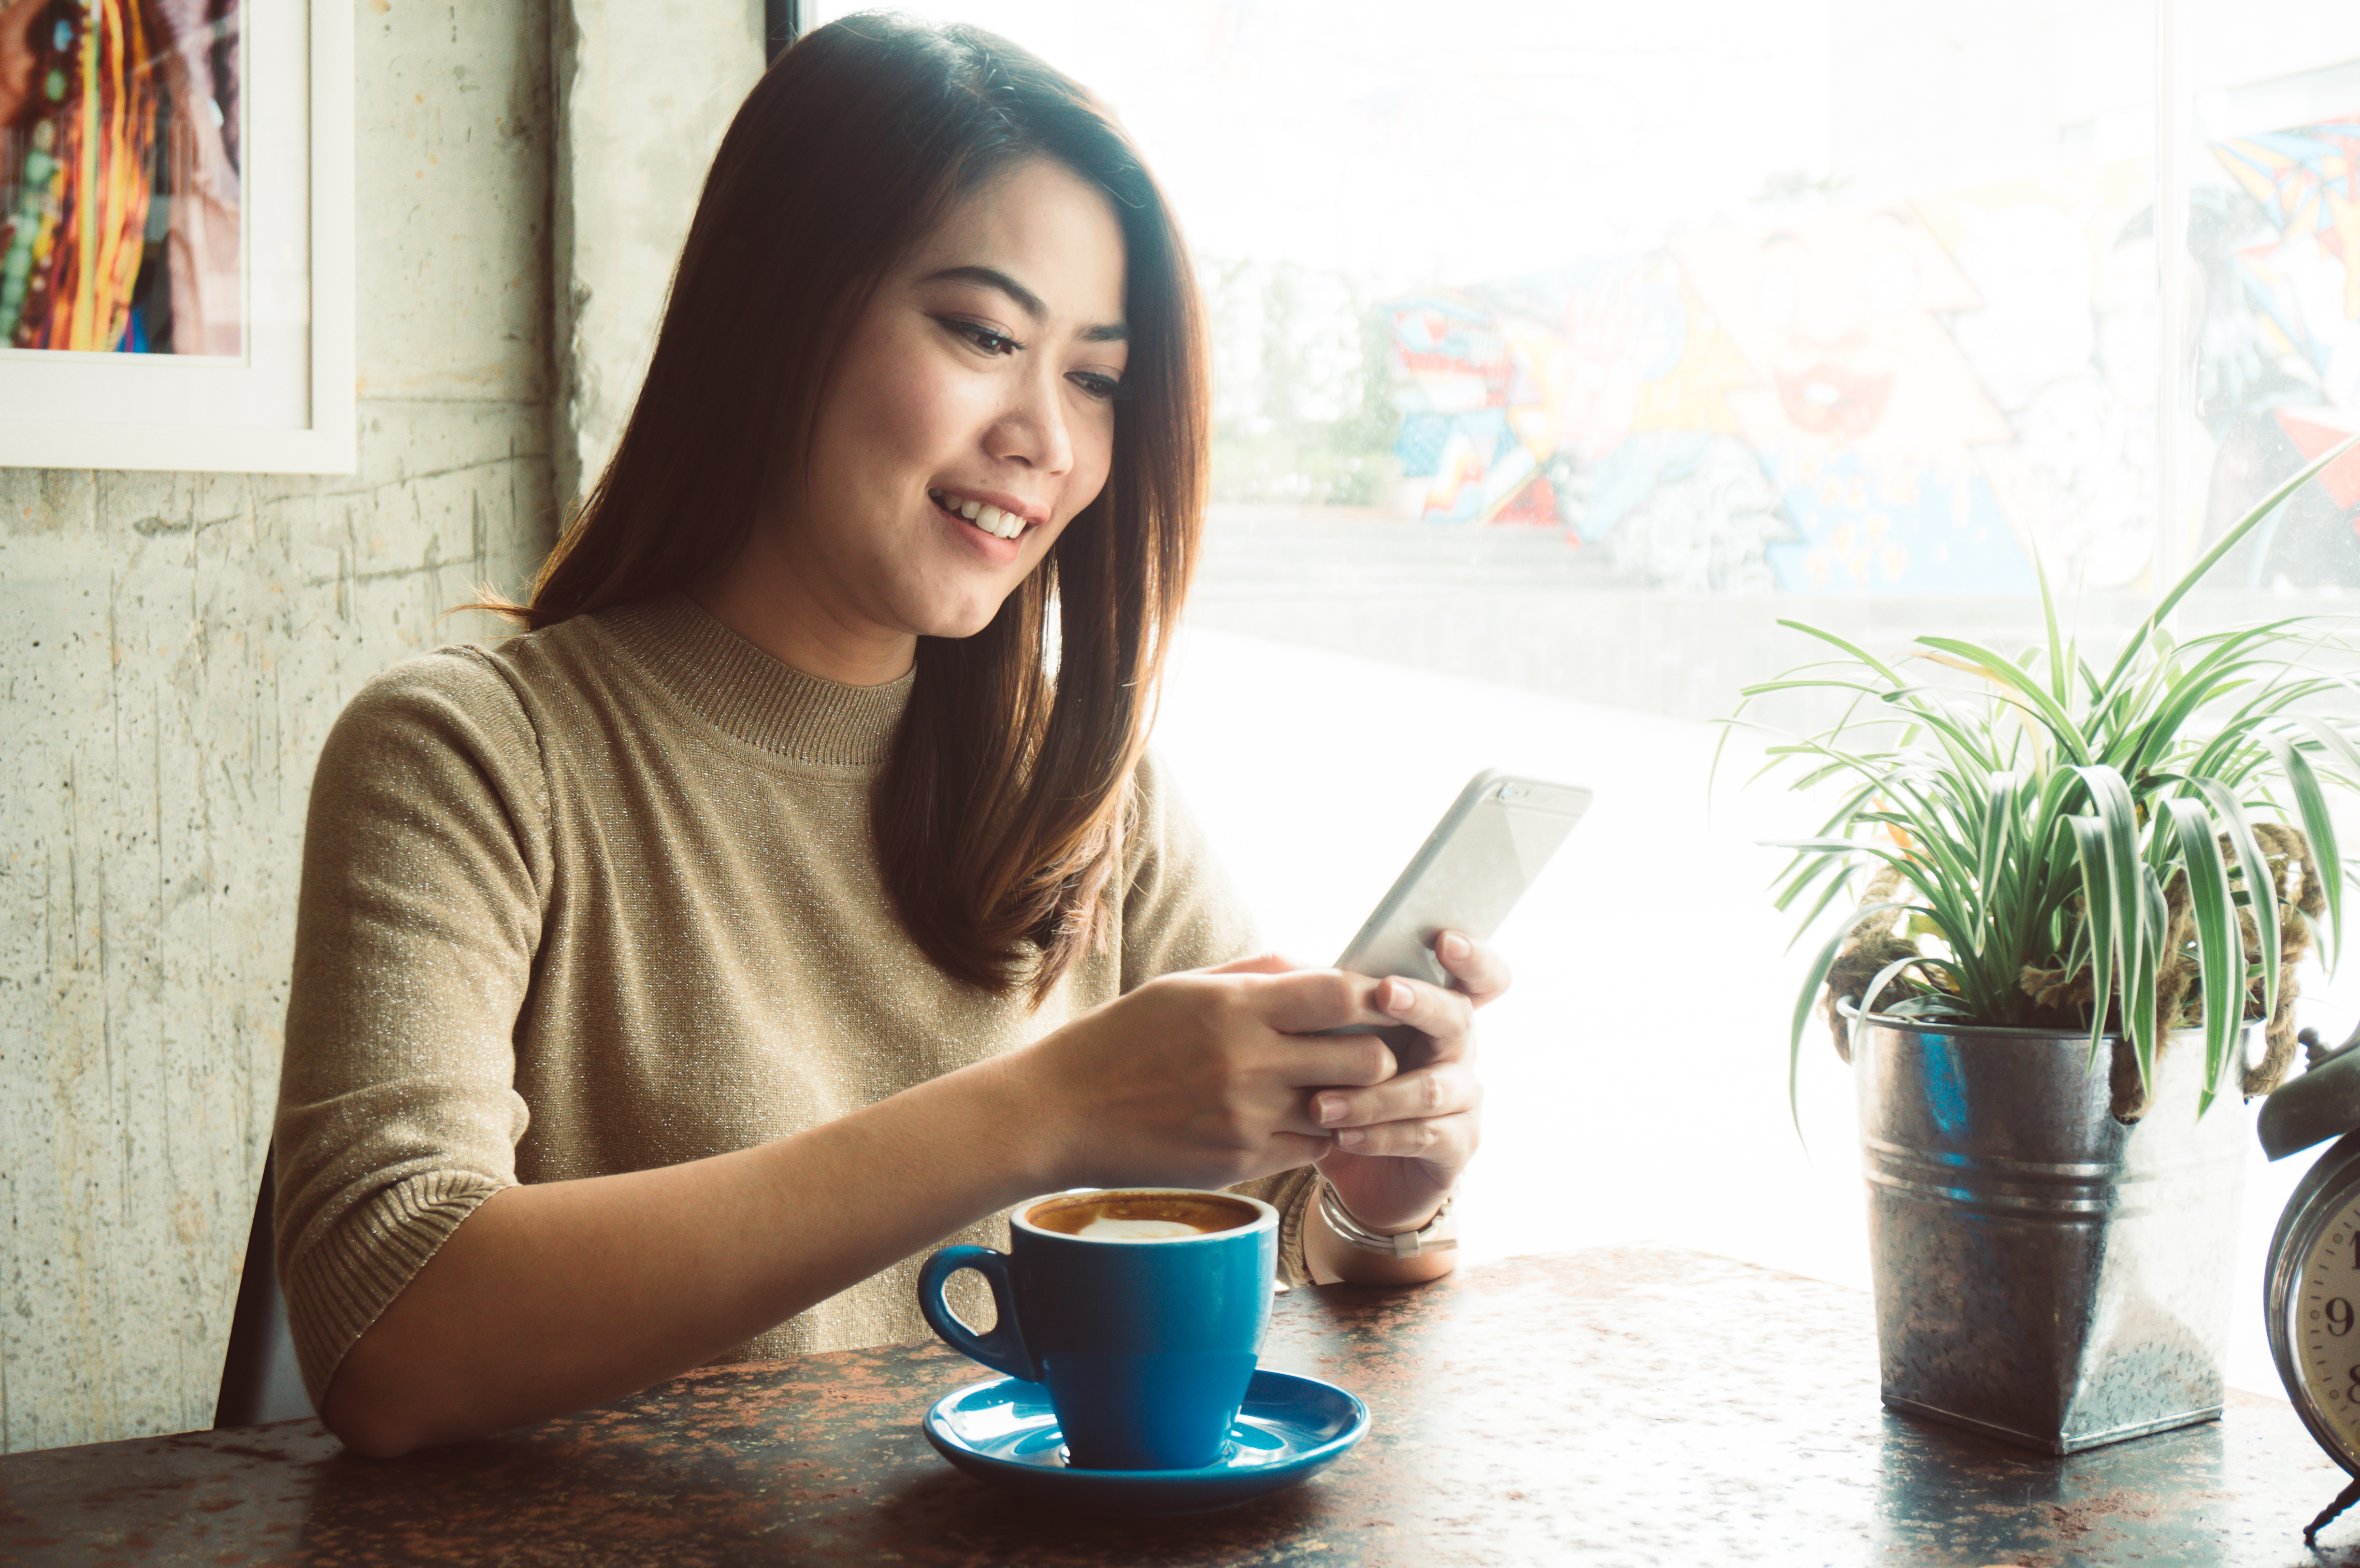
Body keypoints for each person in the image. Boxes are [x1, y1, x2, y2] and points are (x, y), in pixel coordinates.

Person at [274, 13, 1499, 1460]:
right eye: (984, 335)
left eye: (1095, 377)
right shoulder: (471, 755)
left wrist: (1377, 1182)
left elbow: (1284, 1254)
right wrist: (1041, 1111)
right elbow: (392, 1337)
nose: (1046, 437)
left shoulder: (1089, 793)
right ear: (779, 310)